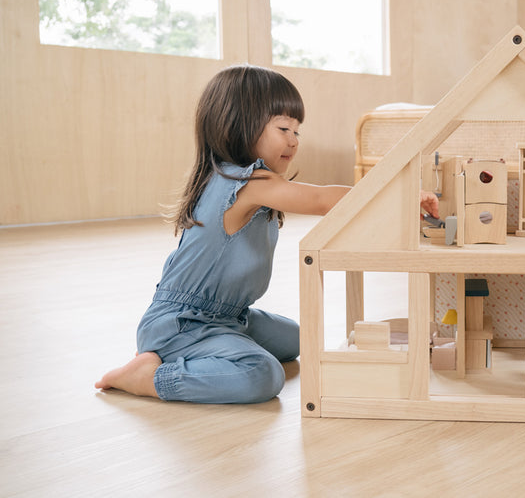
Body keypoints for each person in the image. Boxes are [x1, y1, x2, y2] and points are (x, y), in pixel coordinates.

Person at [95, 64, 440, 403]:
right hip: (183, 323)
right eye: (283, 129)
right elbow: (321, 199)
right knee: (263, 374)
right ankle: (151, 377)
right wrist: (399, 196)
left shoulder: (249, 182)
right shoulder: (246, 183)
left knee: (298, 340)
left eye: (297, 132)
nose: (293, 141)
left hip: (230, 315)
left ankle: (212, 351)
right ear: (241, 126)